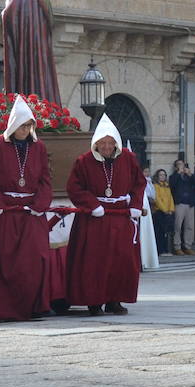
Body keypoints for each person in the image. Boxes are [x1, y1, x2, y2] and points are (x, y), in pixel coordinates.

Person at [0, 95, 53, 321]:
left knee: (35, 259)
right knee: (2, 262)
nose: (25, 130)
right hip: (4, 212)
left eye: (29, 125)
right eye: (21, 125)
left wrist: (40, 205)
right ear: (13, 124)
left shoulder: (38, 147)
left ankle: (32, 306)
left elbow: (45, 179)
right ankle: (1, 308)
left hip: (31, 212)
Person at [65, 115, 146, 315]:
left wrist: (135, 204)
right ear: (96, 143)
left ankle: (114, 300)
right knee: (95, 262)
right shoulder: (84, 161)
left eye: (110, 143)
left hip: (121, 218)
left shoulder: (128, 158)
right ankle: (94, 301)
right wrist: (92, 205)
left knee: (121, 261)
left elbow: (139, 183)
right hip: (95, 221)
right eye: (102, 143)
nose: (107, 147)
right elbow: (74, 188)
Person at [1, 0, 62, 105]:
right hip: (41, 46)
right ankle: (46, 106)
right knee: (42, 73)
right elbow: (51, 21)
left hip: (25, 44)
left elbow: (7, 13)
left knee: (25, 72)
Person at [169, 157, 195, 255]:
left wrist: (190, 175)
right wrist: (178, 173)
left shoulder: (189, 176)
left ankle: (188, 246)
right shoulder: (173, 176)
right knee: (178, 226)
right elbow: (172, 185)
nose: (182, 166)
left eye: (183, 164)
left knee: (189, 226)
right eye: (179, 165)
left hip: (189, 203)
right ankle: (177, 246)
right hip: (179, 203)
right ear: (176, 167)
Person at [150, 169, 174, 255]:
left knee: (166, 232)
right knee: (159, 232)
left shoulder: (167, 186)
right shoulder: (155, 186)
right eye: (160, 175)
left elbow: (170, 198)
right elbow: (157, 199)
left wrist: (171, 209)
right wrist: (164, 210)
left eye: (164, 175)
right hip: (159, 212)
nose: (162, 176)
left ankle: (166, 249)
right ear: (157, 176)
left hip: (167, 212)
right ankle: (160, 250)